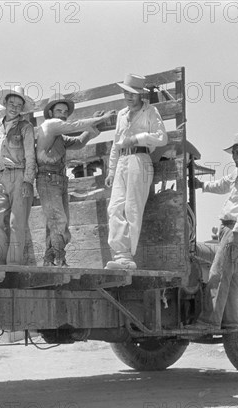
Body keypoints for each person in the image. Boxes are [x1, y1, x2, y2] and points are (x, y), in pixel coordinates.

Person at [185, 132, 238, 332]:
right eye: (233, 152)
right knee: (229, 277)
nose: (234, 156)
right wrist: (202, 185)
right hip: (229, 228)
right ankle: (230, 322)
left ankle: (208, 322)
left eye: (237, 152)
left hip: (235, 228)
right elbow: (222, 185)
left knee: (218, 273)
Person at [36, 93, 116, 266]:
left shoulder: (59, 135)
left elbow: (79, 142)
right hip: (48, 179)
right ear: (50, 113)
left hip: (58, 180)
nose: (63, 114)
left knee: (58, 222)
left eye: (65, 111)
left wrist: (92, 126)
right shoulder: (50, 125)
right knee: (59, 220)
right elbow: (74, 125)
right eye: (59, 110)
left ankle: (50, 260)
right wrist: (99, 119)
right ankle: (59, 259)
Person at [105, 73, 168, 270]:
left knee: (132, 209)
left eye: (133, 93)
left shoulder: (150, 111)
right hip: (122, 161)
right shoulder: (122, 114)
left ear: (141, 94)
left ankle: (127, 257)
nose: (129, 97)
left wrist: (138, 138)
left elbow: (161, 138)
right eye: (126, 93)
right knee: (114, 207)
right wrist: (111, 169)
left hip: (139, 160)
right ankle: (120, 254)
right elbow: (116, 144)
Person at [0, 85, 36, 265]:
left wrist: (28, 181)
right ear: (5, 103)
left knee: (17, 222)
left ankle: (14, 265)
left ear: (22, 108)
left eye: (19, 105)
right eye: (12, 103)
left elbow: (30, 155)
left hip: (19, 175)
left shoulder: (26, 127)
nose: (14, 107)